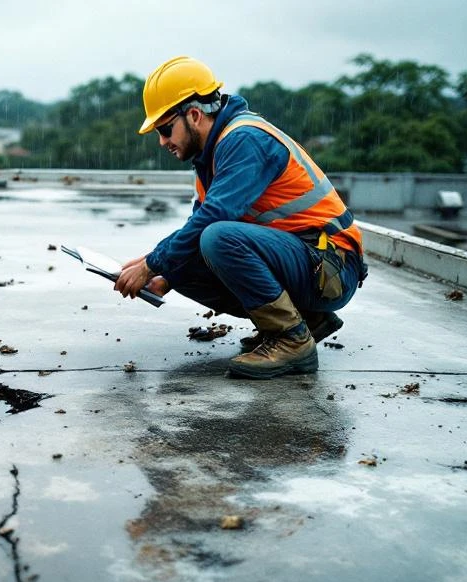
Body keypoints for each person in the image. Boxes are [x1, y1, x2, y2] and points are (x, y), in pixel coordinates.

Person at [114, 56, 367, 379]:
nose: (162, 141)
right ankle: (307, 320)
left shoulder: (244, 140)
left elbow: (213, 221)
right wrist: (165, 276)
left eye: (165, 129)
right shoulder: (210, 157)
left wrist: (151, 263)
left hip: (332, 267)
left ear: (193, 115)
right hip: (307, 264)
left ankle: (291, 339)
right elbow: (194, 234)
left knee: (216, 237)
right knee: (183, 258)